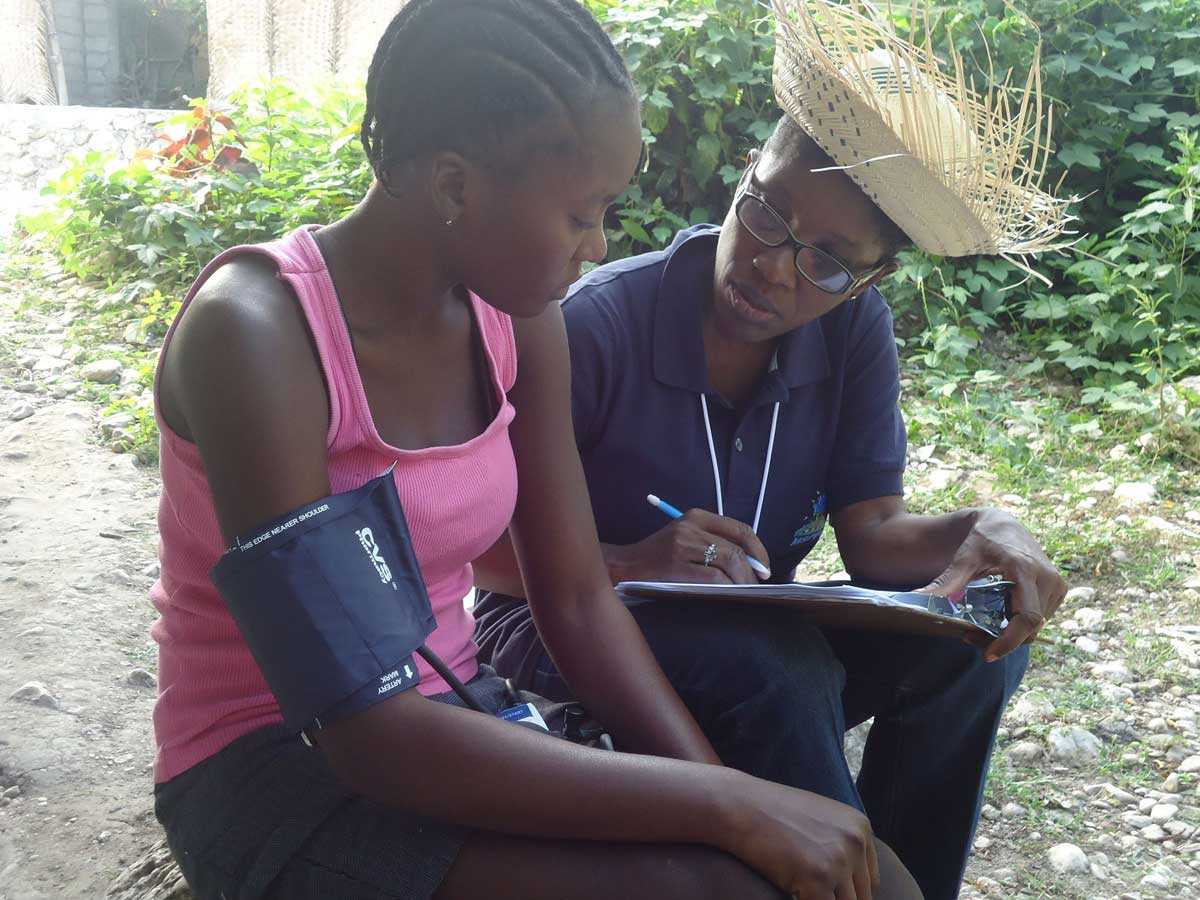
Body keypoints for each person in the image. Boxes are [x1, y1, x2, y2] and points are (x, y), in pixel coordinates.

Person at [147, 1, 924, 898]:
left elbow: (580, 602)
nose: (599, 246)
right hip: (278, 764)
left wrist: (735, 801)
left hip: (455, 715)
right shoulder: (257, 337)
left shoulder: (518, 321)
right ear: (453, 187)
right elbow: (364, 728)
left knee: (863, 880)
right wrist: (725, 807)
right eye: (583, 213)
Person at [473, 4, 1074, 898]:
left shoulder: (852, 333)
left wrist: (985, 527)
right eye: (766, 212)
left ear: (874, 277)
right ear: (745, 173)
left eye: (830, 261)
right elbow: (480, 559)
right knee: (773, 670)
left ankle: (900, 873)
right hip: (556, 626)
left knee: (976, 636)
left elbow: (873, 532)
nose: (772, 266)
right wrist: (628, 559)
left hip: (747, 627)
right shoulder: (594, 325)